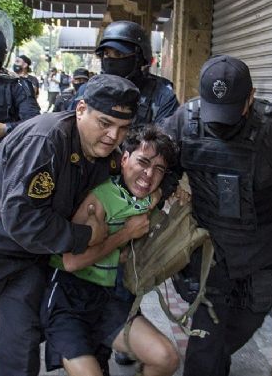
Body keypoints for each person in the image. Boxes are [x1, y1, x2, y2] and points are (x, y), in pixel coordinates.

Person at [0, 74, 140, 376]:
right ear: (81, 109)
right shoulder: (45, 141)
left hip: (28, 258)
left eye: (123, 128)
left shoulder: (104, 156)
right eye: (104, 123)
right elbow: (23, 219)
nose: (113, 135)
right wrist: (85, 236)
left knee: (22, 342)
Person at [161, 55, 272, 376]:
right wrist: (170, 185)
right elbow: (156, 164)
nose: (220, 123)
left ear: (250, 98)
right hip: (207, 255)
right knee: (205, 349)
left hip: (259, 256)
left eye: (230, 113)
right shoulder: (184, 120)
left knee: (227, 340)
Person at [42, 125, 180, 376]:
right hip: (68, 299)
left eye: (158, 169)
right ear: (124, 159)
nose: (149, 174)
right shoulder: (100, 196)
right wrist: (125, 234)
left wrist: (176, 189)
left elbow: (157, 192)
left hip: (107, 300)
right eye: (143, 162)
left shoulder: (146, 197)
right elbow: (71, 262)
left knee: (166, 358)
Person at [67, 20, 179, 127]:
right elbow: (68, 133)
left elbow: (164, 143)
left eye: (119, 54)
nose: (111, 60)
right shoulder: (86, 91)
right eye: (106, 54)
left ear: (138, 58)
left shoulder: (161, 96)